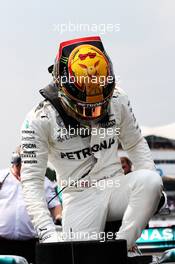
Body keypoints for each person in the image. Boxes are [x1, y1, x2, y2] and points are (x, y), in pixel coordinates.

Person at [20, 36, 163, 252]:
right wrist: (47, 233)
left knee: (151, 181)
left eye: (99, 106)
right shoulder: (38, 119)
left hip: (116, 187)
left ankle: (124, 246)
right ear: (61, 86)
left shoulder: (118, 98)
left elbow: (135, 144)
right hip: (79, 198)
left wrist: (154, 198)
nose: (92, 114)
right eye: (85, 107)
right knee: (82, 258)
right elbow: (31, 181)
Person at [0, 151, 62, 240]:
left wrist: (59, 216)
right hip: (2, 241)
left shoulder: (43, 182)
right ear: (15, 162)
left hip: (30, 242)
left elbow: (55, 206)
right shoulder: (1, 177)